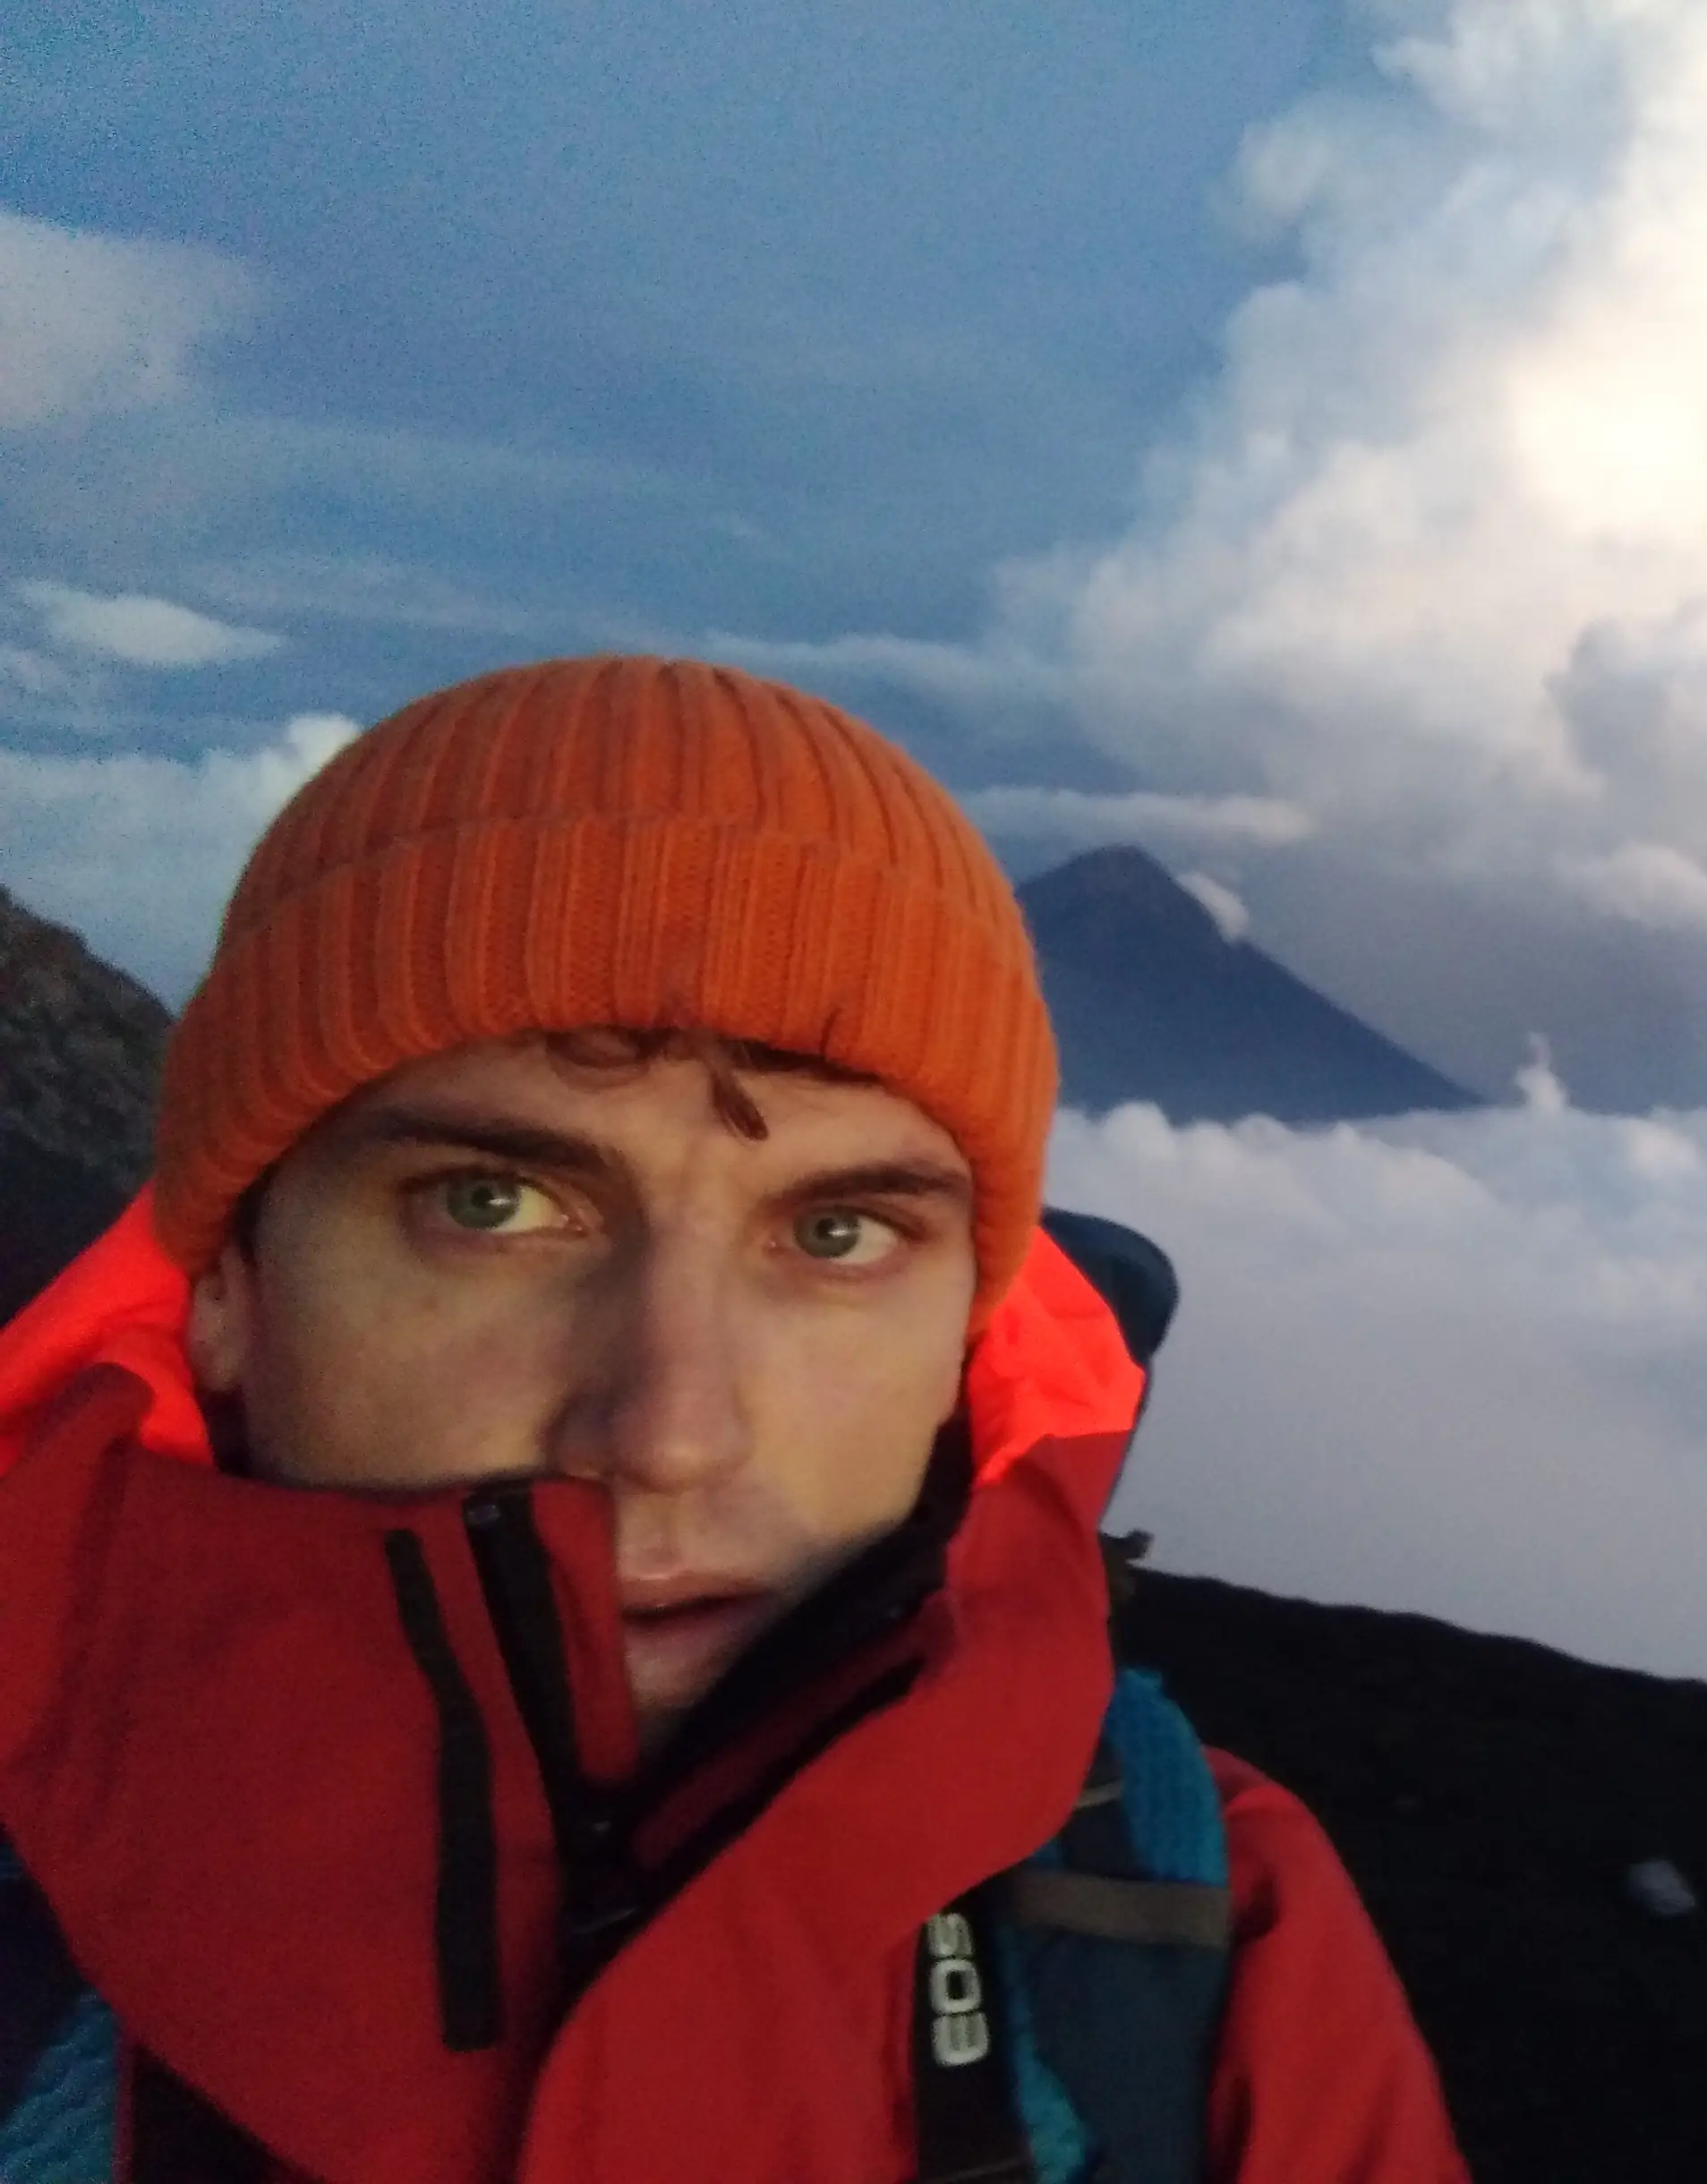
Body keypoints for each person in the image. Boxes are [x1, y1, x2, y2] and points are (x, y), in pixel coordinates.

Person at [0, 657, 1470, 2181]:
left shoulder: (1200, 1920)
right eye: (489, 1204)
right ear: (224, 1289)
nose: (670, 1432)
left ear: (969, 1336)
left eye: (836, 1238)